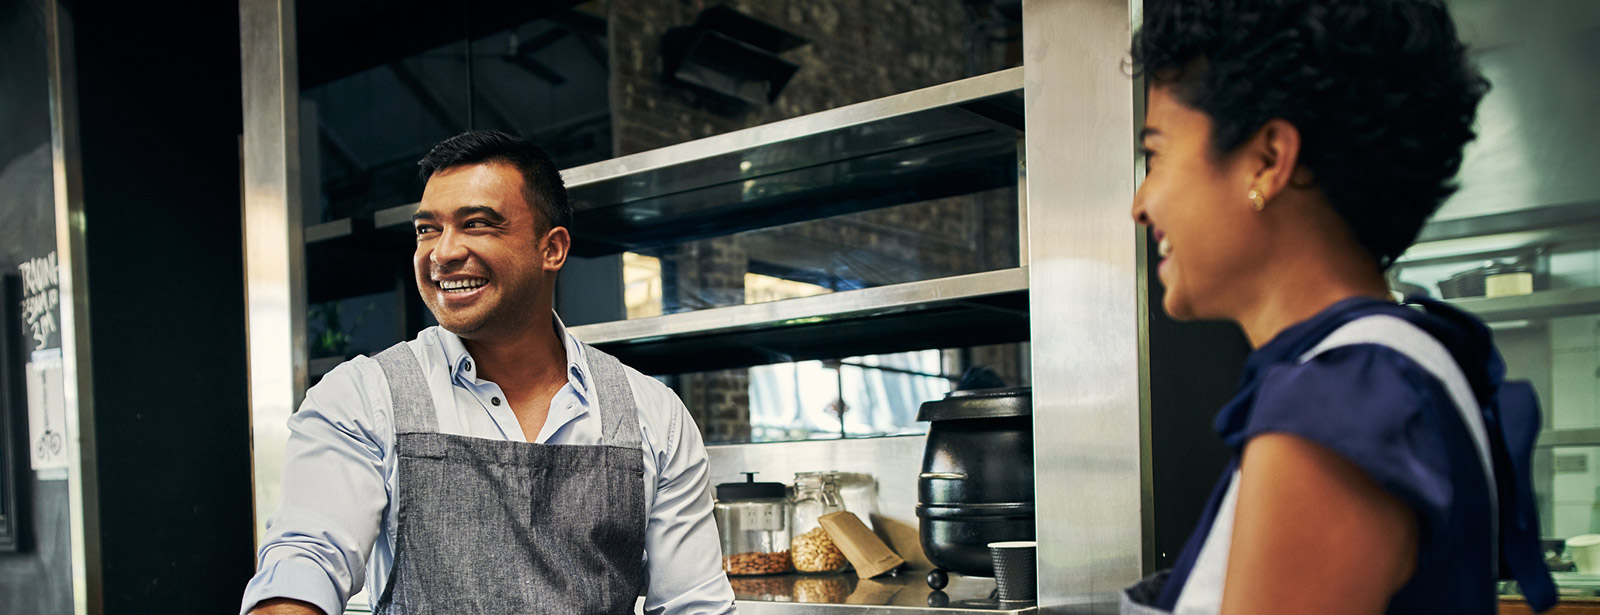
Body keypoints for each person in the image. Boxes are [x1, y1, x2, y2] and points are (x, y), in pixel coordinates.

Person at [1123, 1, 1555, 614]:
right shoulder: (1396, 367)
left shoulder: (1336, 410)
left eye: (1156, 154)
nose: (1141, 203)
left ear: (1269, 160)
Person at [239, 130, 735, 615]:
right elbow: (304, 560)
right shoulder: (363, 397)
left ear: (552, 249)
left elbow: (695, 604)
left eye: (476, 223)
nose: (443, 252)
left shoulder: (654, 415)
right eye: (427, 229)